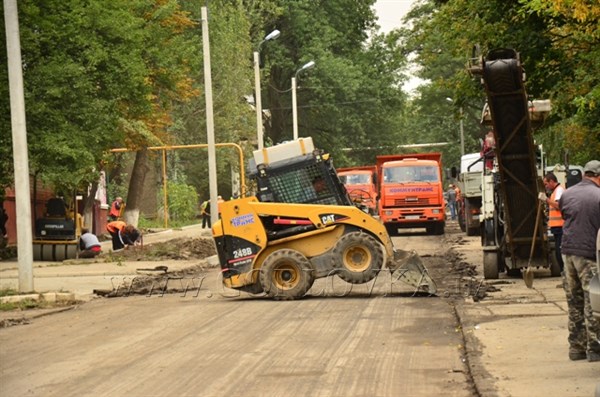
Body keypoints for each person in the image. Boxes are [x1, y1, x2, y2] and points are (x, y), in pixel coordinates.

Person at [558, 160, 600, 362]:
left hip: (567, 254)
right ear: (598, 175)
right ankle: (594, 348)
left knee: (573, 301)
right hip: (588, 255)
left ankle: (576, 348)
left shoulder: (567, 194)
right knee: (592, 301)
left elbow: (566, 214)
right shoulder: (598, 195)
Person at [541, 172, 565, 272]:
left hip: (561, 227)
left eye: (546, 184)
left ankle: (565, 275)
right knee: (558, 252)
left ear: (551, 181)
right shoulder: (556, 191)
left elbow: (558, 205)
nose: (545, 186)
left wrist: (546, 200)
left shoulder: (559, 191)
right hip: (557, 227)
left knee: (560, 253)